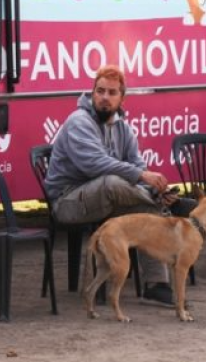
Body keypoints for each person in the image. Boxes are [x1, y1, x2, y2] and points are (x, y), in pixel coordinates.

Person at [43, 64, 180, 306]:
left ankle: (157, 285)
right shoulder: (78, 122)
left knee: (147, 213)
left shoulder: (123, 128)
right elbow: (95, 165)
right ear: (92, 92)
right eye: (100, 91)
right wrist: (143, 178)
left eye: (112, 93)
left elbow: (137, 163)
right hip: (67, 201)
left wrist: (154, 189)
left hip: (104, 199)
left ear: (122, 98)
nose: (105, 98)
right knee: (112, 182)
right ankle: (168, 206)